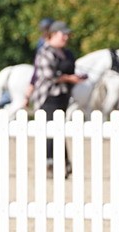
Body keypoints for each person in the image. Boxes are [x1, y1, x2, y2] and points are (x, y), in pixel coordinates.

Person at [30, 21, 87, 167]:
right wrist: (69, 78)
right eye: (64, 34)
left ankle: (63, 162)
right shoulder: (45, 52)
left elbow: (69, 70)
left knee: (60, 128)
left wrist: (77, 77)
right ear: (54, 34)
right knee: (51, 129)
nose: (66, 37)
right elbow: (49, 75)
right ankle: (50, 161)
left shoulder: (67, 53)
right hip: (49, 96)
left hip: (63, 94)